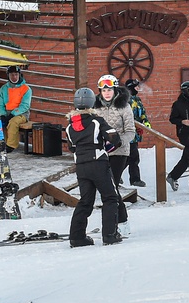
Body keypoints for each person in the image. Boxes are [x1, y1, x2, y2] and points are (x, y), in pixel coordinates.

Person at [65, 87, 123, 247]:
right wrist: (110, 145)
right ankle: (110, 235)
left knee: (85, 201)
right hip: (98, 163)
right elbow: (114, 137)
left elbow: (71, 147)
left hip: (81, 166)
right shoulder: (97, 121)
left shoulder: (69, 127)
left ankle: (77, 238)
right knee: (110, 198)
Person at [92, 74, 135, 225]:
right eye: (104, 91)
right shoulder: (95, 107)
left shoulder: (124, 106)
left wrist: (119, 142)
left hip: (119, 152)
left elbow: (130, 131)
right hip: (102, 152)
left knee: (112, 185)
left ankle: (121, 221)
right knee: (108, 187)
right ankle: (115, 220)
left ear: (115, 89)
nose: (107, 93)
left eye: (109, 90)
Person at [0, 65, 32, 152]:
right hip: (7, 112)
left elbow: (25, 105)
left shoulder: (26, 89)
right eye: (12, 74)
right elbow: (0, 104)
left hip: (21, 114)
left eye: (16, 74)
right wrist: (2, 114)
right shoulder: (3, 89)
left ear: (19, 75)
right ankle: (1, 142)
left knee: (13, 122)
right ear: (8, 75)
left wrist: (13, 114)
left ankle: (11, 146)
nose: (14, 77)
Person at [123, 79, 151, 187]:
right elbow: (127, 117)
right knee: (132, 157)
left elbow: (142, 113)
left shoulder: (137, 100)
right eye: (136, 86)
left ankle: (115, 174)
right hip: (129, 134)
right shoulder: (126, 101)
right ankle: (134, 179)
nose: (138, 88)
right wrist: (135, 126)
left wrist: (146, 122)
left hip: (136, 134)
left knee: (130, 157)